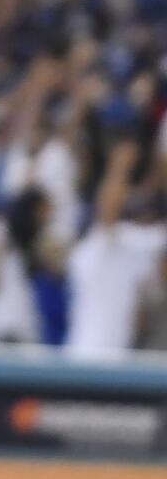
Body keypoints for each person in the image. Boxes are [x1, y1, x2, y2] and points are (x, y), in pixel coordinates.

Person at [66, 141, 167, 358]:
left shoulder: (135, 246)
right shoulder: (99, 246)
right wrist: (119, 168)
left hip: (117, 356)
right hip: (88, 356)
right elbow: (108, 211)